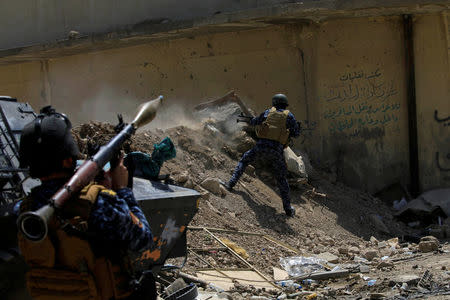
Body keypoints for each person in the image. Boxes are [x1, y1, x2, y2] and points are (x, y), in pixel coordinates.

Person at [17, 106, 154, 300]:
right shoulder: (100, 203)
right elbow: (143, 240)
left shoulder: (25, 210)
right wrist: (122, 190)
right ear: (67, 161)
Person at [224, 94, 300, 217]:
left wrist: (246, 119)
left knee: (244, 160)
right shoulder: (289, 116)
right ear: (285, 104)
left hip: (260, 147)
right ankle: (288, 209)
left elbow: (254, 122)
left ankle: (230, 184)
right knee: (281, 179)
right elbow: (296, 133)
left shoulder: (268, 112)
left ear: (274, 103)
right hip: (276, 151)